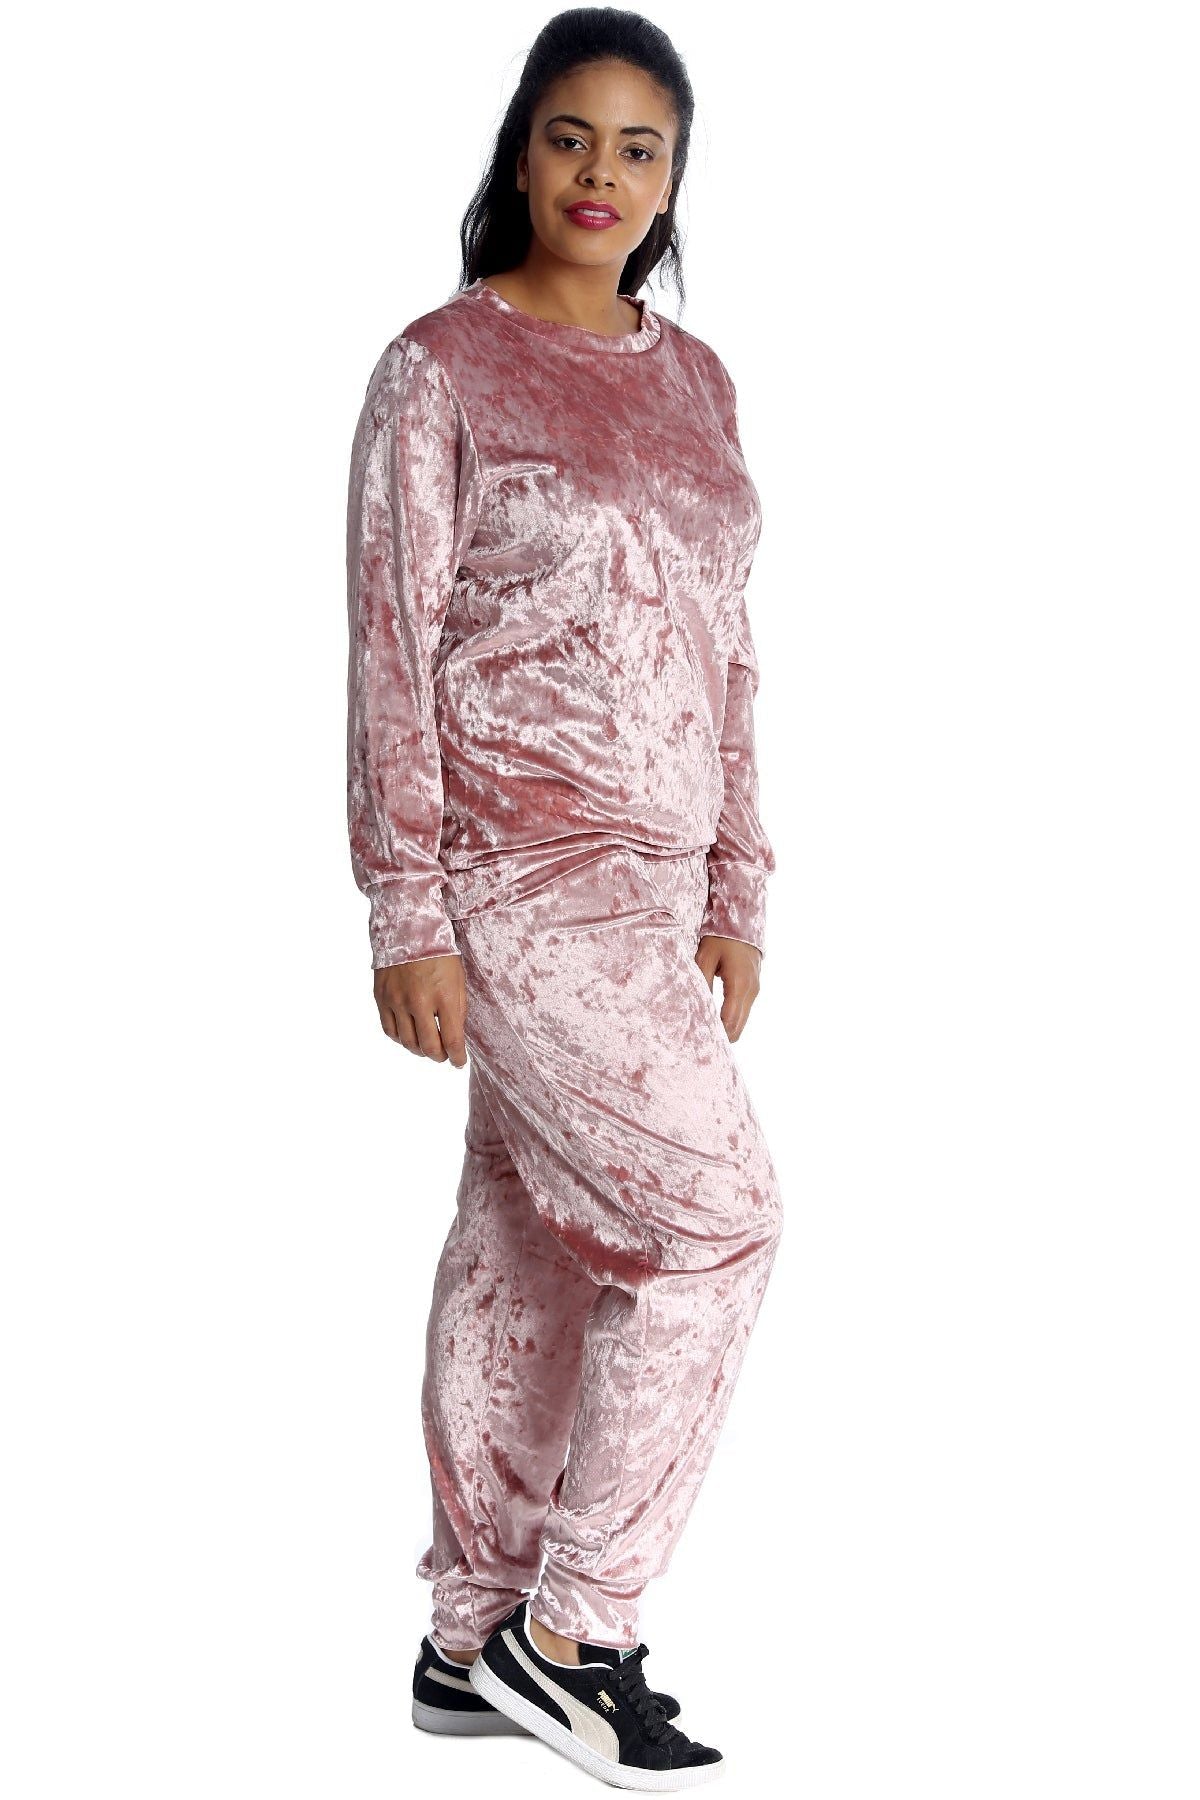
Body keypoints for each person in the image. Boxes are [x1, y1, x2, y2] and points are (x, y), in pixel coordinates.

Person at [345, 10, 783, 1788]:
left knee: (527, 1246)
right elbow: (389, 645)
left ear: (673, 182)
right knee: (721, 1227)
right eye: (571, 137)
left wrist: (739, 879)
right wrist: (407, 911)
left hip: (657, 892)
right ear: (521, 152)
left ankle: (470, 1640)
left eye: (639, 148)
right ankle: (575, 1628)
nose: (602, 175)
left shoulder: (699, 382)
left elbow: (731, 650)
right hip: (517, 882)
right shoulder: (440, 369)